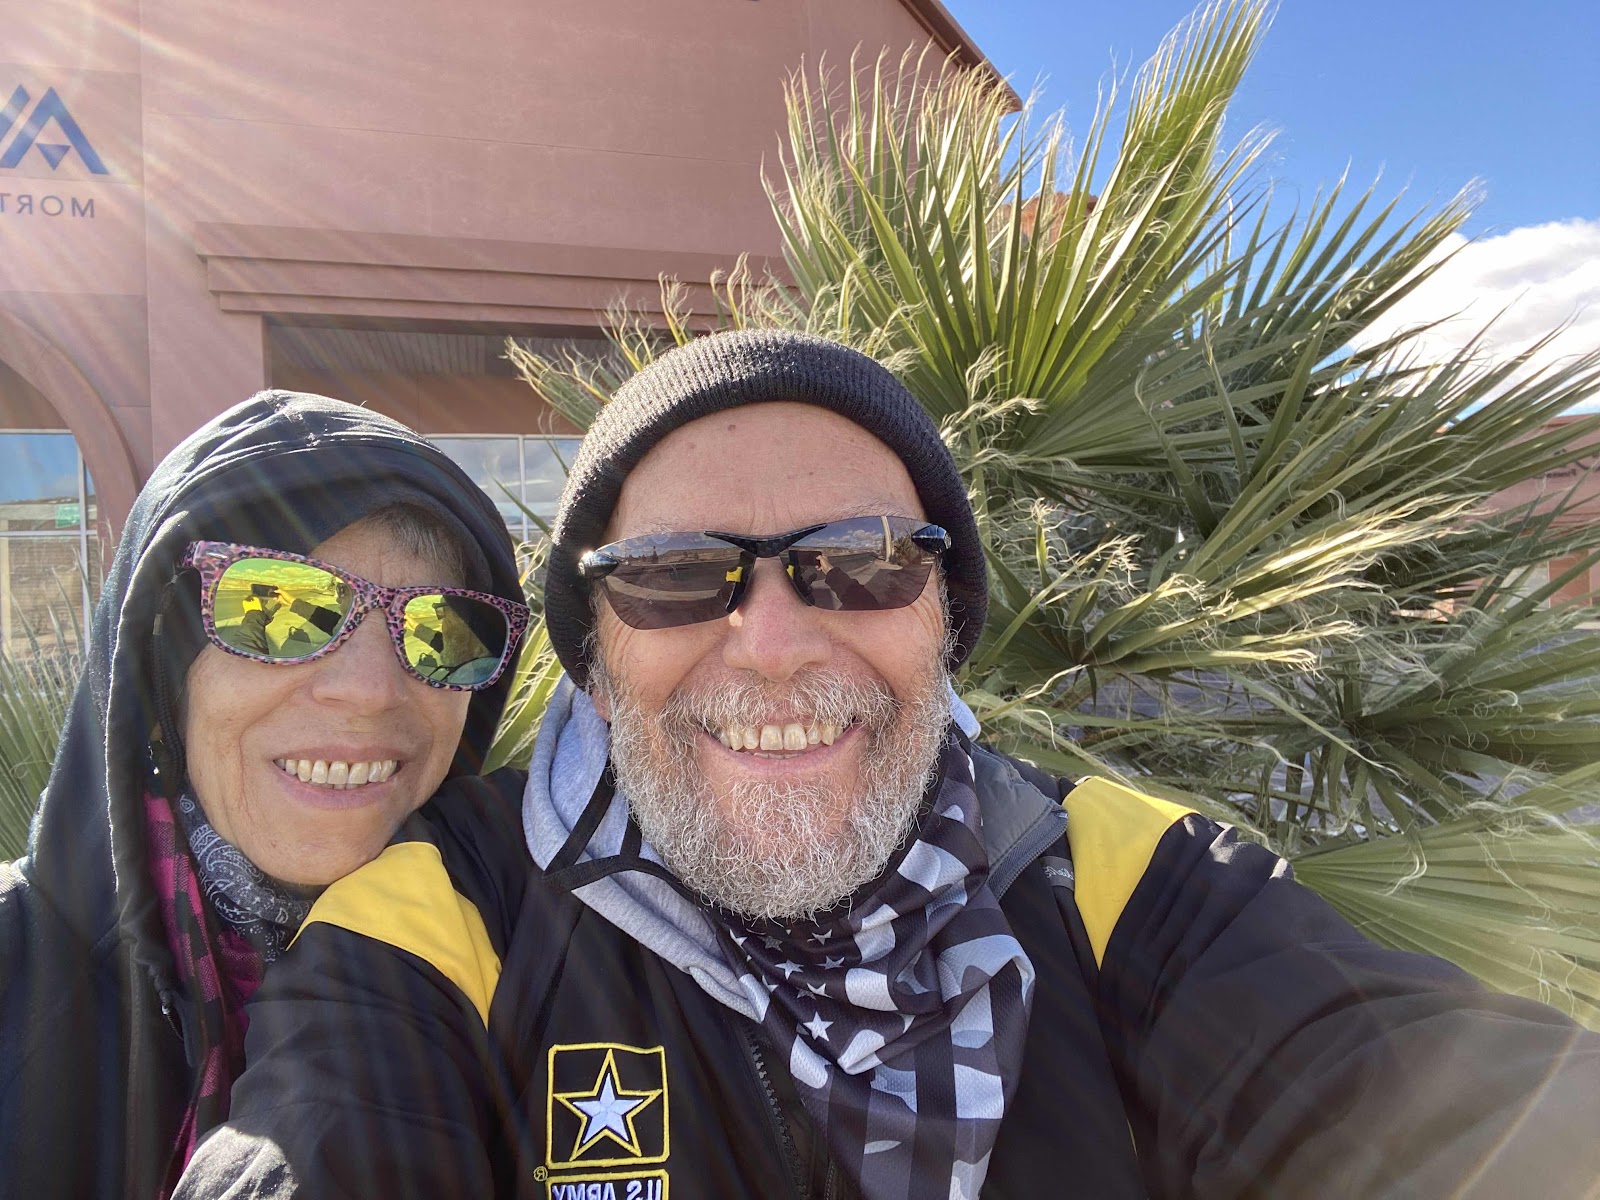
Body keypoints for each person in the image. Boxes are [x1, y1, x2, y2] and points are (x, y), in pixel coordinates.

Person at [177, 333, 1600, 1199]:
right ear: (595, 655)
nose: (771, 643)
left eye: (858, 563)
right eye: (672, 575)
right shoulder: (446, 921)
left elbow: (1459, 1113)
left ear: (944, 629)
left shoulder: (1111, 880)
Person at [0, 390, 530, 1198]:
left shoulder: (552, 976)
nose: (370, 690)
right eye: (280, 609)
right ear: (163, 661)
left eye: (442, 631)